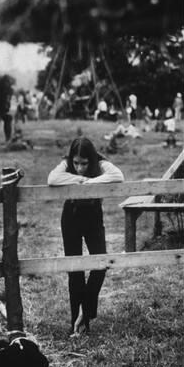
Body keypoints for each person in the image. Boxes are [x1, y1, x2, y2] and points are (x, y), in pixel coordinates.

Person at [47, 137, 124, 337]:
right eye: (76, 163)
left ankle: (85, 311)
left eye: (84, 163)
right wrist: (79, 180)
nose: (79, 167)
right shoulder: (66, 162)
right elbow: (52, 179)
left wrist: (90, 182)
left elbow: (118, 175)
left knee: (101, 264)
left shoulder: (100, 162)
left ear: (91, 159)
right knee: (75, 270)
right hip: (70, 216)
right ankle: (78, 325)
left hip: (93, 215)